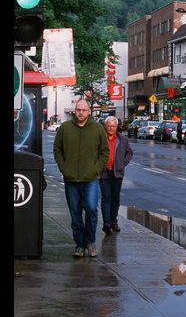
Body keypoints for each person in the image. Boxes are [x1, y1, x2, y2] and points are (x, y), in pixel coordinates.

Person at [53, 99, 109, 258]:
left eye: (84, 110)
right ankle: (79, 245)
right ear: (74, 111)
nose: (81, 113)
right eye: (78, 110)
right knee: (75, 213)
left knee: (91, 209)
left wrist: (96, 169)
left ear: (89, 111)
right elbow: (57, 150)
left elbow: (104, 152)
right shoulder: (65, 128)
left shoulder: (98, 128)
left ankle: (90, 242)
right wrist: (64, 168)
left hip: (91, 178)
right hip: (71, 179)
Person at [99, 115, 133, 235]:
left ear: (117, 127)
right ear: (105, 126)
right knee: (106, 197)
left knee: (115, 199)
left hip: (117, 173)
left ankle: (114, 221)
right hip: (103, 172)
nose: (111, 128)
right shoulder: (101, 138)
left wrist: (122, 164)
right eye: (109, 126)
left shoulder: (122, 139)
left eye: (113, 126)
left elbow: (129, 153)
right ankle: (106, 223)